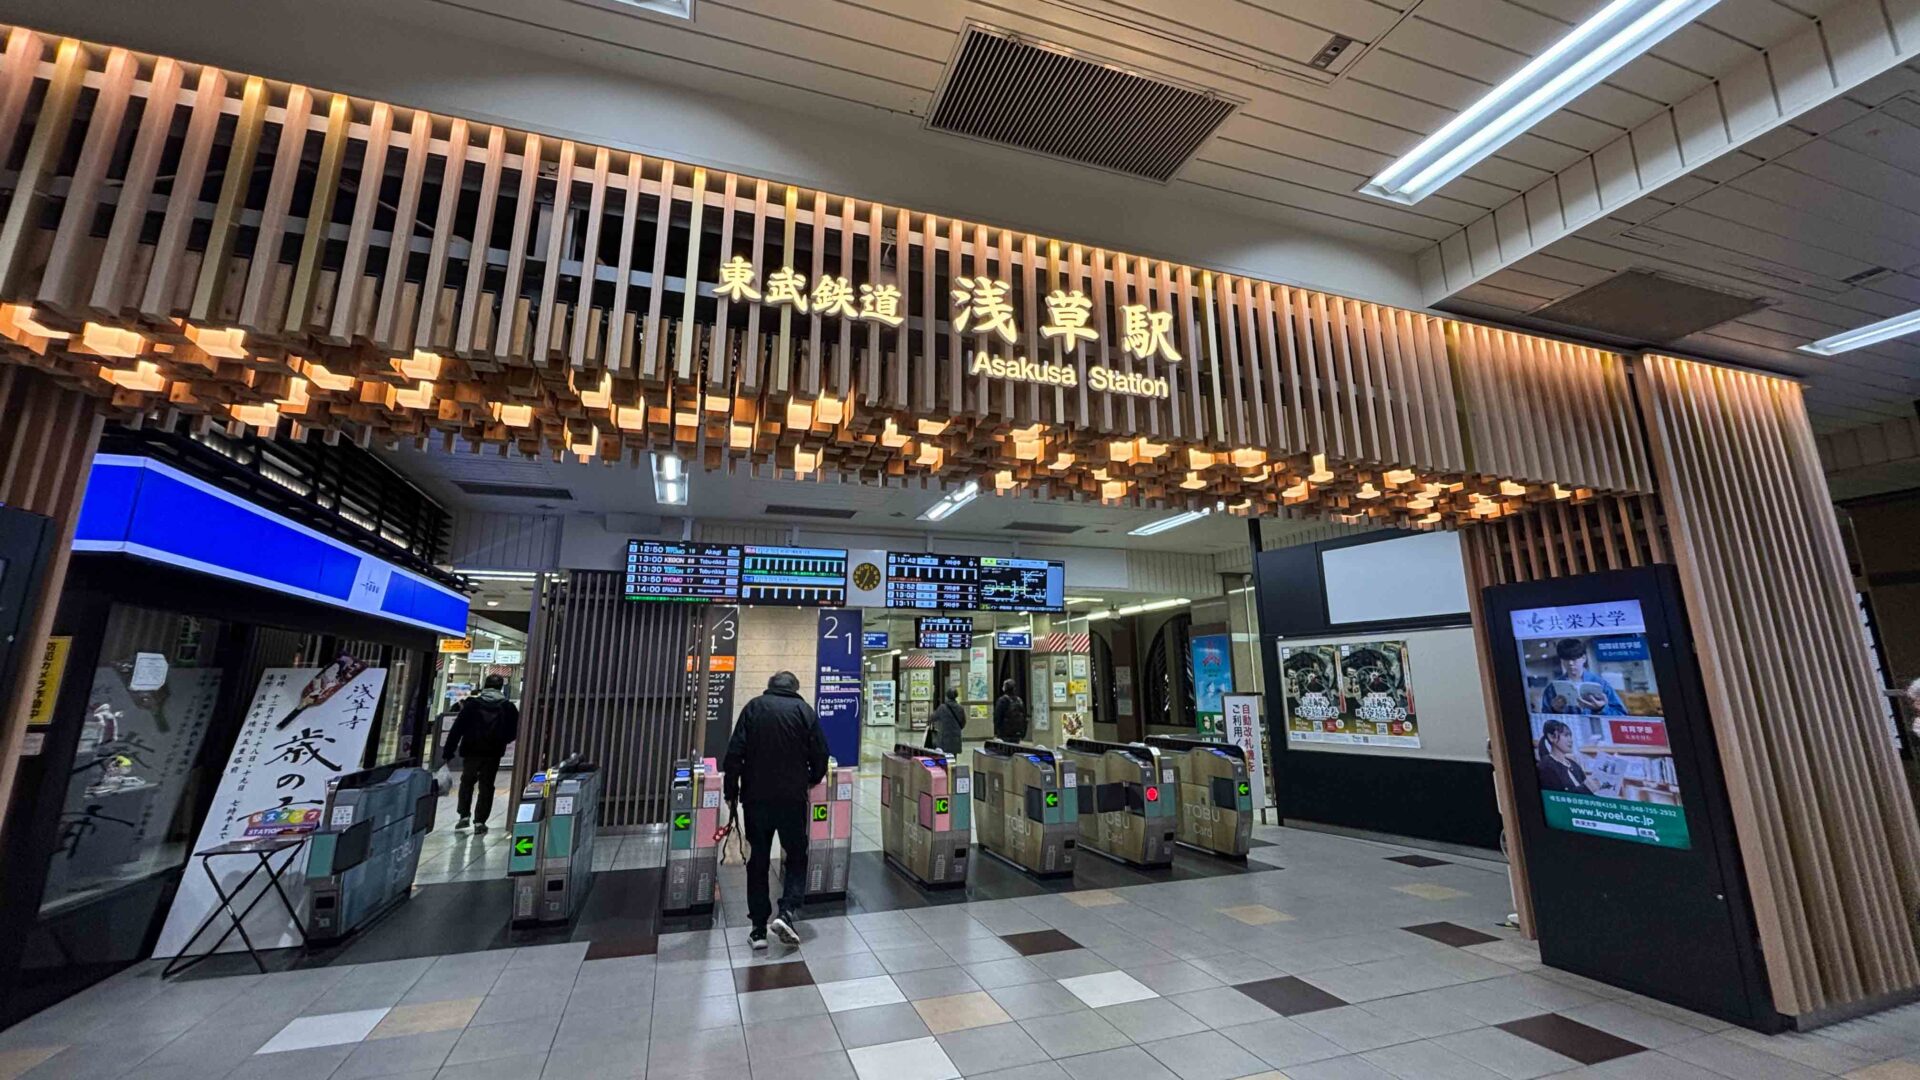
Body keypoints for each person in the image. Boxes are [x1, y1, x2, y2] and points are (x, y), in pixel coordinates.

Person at [724, 671, 829, 950]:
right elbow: (821, 755)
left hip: (756, 799)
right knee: (795, 855)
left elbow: (734, 753)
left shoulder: (754, 708)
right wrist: (810, 780)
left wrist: (730, 791)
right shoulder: (804, 711)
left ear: (769, 687)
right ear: (795, 688)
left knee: (758, 859)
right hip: (792, 799)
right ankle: (787, 912)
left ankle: (758, 929)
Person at [442, 674, 519, 833]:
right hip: (493, 752)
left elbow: (457, 729)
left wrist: (448, 750)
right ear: (501, 688)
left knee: (467, 781)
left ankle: (464, 815)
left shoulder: (472, 705)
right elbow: (514, 731)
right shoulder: (507, 707)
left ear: (485, 686)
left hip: (471, 749)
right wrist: (501, 740)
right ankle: (480, 821)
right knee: (487, 785)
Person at [1538, 638, 1627, 715]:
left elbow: (1621, 714)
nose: (1570, 663)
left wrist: (1601, 709)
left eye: (1574, 659)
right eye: (1566, 659)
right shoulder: (1552, 688)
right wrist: (1554, 710)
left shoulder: (1601, 684)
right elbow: (1544, 719)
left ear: (1583, 658)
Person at [1536, 718, 1605, 795]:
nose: (1570, 740)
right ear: (1552, 737)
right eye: (1566, 735)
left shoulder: (1573, 764)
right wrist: (1587, 788)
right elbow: (1558, 798)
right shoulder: (1546, 766)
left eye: (1570, 736)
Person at [925, 687, 966, 755]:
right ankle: (952, 765)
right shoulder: (960, 708)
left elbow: (933, 718)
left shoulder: (942, 708)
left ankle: (947, 765)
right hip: (955, 737)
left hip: (944, 737)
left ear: (947, 696)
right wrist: (957, 729)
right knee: (953, 756)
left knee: (944, 757)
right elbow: (963, 722)